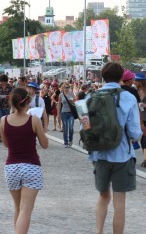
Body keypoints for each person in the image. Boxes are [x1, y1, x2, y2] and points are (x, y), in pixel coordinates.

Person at [88, 62, 142, 234]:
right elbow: (134, 132)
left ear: (103, 77)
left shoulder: (91, 97)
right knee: (120, 202)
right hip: (122, 155)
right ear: (121, 77)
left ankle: (98, 231)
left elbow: (86, 127)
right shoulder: (128, 97)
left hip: (99, 154)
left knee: (103, 196)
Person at [0, 88, 48, 234]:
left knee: (18, 208)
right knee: (26, 210)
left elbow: (6, 144)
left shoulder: (4, 120)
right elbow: (44, 144)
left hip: (11, 167)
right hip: (31, 166)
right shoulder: (33, 120)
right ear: (28, 102)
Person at [0, 74, 13, 142]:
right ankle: (0, 136)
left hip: (7, 106)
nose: (2, 83)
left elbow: (12, 96)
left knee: (6, 122)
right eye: (1, 81)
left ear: (6, 81)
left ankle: (6, 136)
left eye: (3, 81)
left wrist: (10, 98)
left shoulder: (10, 87)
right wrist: (4, 96)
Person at [133, 73, 146, 167]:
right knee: (142, 139)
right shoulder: (135, 91)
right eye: (135, 80)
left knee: (145, 139)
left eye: (137, 80)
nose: (135, 82)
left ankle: (145, 159)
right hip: (139, 118)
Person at [57, 81, 75, 147]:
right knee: (65, 128)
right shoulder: (61, 95)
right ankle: (65, 142)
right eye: (65, 87)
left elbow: (74, 104)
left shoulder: (71, 94)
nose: (67, 88)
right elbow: (59, 105)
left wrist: (71, 101)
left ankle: (70, 140)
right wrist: (58, 114)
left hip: (71, 113)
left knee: (70, 127)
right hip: (63, 112)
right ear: (63, 88)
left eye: (68, 87)